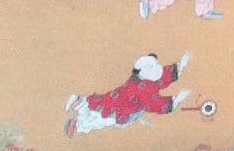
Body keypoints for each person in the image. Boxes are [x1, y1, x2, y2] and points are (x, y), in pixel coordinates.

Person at [63, 52, 192, 137]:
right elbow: (153, 103)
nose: (155, 70)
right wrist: (175, 100)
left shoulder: (141, 78)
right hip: (121, 110)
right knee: (100, 120)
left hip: (115, 99)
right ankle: (78, 121)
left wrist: (180, 65)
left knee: (97, 109)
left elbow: (162, 76)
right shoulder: (142, 88)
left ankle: (79, 106)